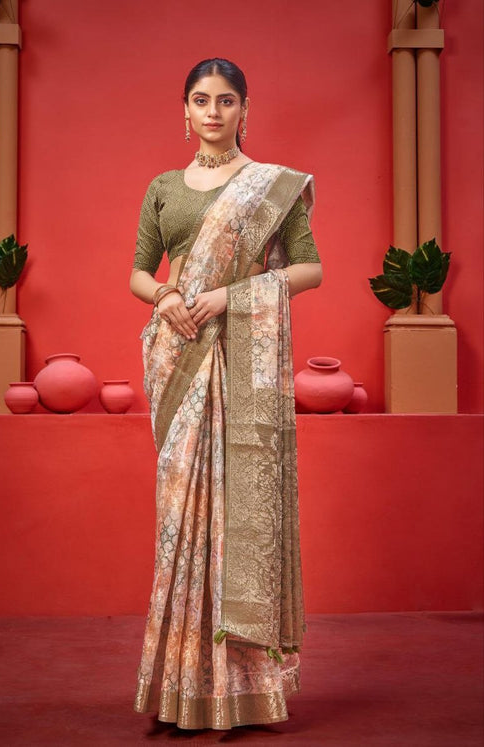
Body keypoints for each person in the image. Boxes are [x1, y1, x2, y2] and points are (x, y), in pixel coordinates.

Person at [130, 58, 322, 731]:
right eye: (200, 100)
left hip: (239, 359)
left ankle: (243, 689)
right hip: (178, 354)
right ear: (184, 111)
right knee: (181, 519)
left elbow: (309, 268)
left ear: (245, 110)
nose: (212, 111)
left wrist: (230, 296)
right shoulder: (162, 187)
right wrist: (166, 295)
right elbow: (137, 271)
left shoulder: (271, 186)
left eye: (226, 100)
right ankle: (179, 684)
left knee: (239, 512)